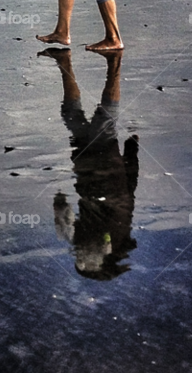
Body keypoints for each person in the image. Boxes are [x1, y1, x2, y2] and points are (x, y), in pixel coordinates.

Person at [39, 47, 139, 279]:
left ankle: (67, 63)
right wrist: (131, 148)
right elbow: (129, 187)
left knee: (73, 115)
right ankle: (114, 62)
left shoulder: (100, 236)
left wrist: (132, 148)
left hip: (88, 165)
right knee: (100, 117)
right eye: (83, 259)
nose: (79, 256)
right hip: (99, 163)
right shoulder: (113, 232)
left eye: (79, 258)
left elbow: (64, 214)